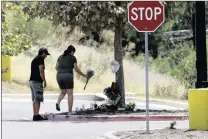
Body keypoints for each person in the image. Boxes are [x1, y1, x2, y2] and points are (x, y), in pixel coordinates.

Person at [55, 45, 87, 113]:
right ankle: (70, 111)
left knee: (63, 92)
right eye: (73, 52)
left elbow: (56, 67)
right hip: (68, 76)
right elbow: (76, 69)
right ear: (72, 51)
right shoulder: (73, 58)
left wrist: (62, 72)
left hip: (59, 76)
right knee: (70, 94)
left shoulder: (60, 57)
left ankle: (58, 102)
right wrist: (84, 75)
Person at [29, 47, 50, 121]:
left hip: (32, 81)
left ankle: (35, 115)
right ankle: (37, 115)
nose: (46, 56)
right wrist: (44, 80)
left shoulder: (34, 59)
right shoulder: (40, 59)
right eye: (46, 54)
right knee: (38, 99)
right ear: (43, 53)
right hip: (37, 81)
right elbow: (41, 70)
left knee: (35, 99)